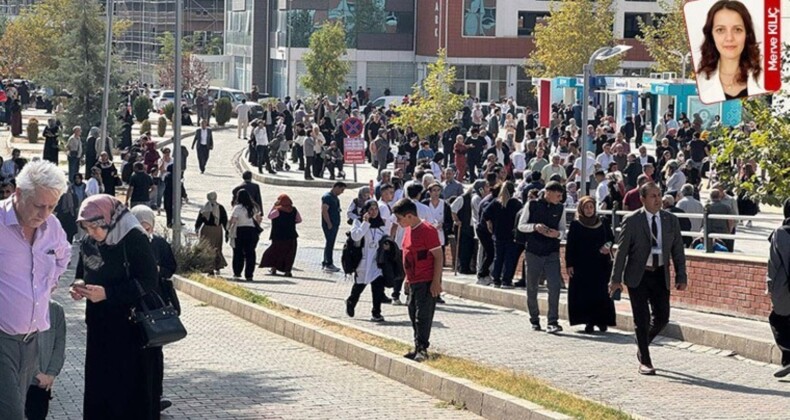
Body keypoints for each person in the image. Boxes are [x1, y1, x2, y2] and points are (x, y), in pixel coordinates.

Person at [71, 194, 161, 419]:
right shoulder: (89, 242)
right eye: (86, 228)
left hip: (131, 328)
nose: (92, 233)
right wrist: (79, 287)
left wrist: (108, 294)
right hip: (100, 327)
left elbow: (149, 281)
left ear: (110, 220)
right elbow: (83, 273)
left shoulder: (133, 238)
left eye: (95, 227)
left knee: (130, 391)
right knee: (100, 388)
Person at [0, 161, 70, 420]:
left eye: (52, 206)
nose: (45, 213)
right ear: (18, 193)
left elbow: (64, 255)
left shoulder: (53, 227)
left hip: (31, 342)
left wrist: (51, 280)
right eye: (39, 205)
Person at [609, 183, 687, 375]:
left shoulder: (670, 220)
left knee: (662, 317)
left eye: (659, 195)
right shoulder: (632, 220)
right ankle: (645, 359)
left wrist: (681, 274)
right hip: (639, 274)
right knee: (641, 318)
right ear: (643, 199)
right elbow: (622, 252)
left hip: (660, 273)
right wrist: (615, 279)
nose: (658, 199)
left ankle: (642, 342)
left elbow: (678, 250)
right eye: (653, 196)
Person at [129, 204, 179, 412]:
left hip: (156, 307)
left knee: (155, 353)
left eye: (147, 226)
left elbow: (171, 268)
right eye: (140, 225)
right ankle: (135, 395)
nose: (144, 230)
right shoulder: (127, 243)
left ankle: (155, 396)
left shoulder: (159, 243)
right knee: (134, 354)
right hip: (133, 307)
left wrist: (158, 270)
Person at [392, 199, 443, 362]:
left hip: (426, 280)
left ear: (410, 216)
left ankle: (423, 348)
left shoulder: (428, 231)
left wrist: (436, 282)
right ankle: (417, 346)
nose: (398, 222)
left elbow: (439, 257)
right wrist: (407, 279)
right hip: (413, 280)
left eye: (400, 218)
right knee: (412, 312)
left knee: (423, 315)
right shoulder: (408, 230)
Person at [517, 181, 566, 333]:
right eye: (557, 195)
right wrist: (535, 227)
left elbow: (563, 229)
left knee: (554, 286)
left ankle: (553, 320)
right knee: (532, 286)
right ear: (548, 193)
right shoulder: (532, 205)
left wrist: (557, 234)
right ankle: (534, 319)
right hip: (533, 251)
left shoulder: (560, 208)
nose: (560, 198)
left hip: (552, 251)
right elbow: (521, 225)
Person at [695, 0, 766, 103]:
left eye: (737, 29)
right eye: (720, 30)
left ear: (747, 34)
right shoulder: (701, 82)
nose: (729, 38)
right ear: (711, 35)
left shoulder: (766, 77)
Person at [565, 196, 616, 333]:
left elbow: (611, 238)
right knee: (585, 294)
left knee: (601, 293)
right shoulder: (576, 225)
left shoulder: (602, 222)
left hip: (600, 265)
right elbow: (570, 246)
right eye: (586, 207)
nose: (589, 210)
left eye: (591, 207)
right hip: (582, 265)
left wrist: (607, 246)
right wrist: (569, 264)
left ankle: (602, 321)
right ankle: (589, 322)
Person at [345, 199, 389, 322]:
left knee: (378, 288)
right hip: (363, 261)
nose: (373, 212)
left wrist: (387, 246)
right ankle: (351, 302)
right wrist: (365, 223)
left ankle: (376, 313)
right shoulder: (358, 222)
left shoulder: (381, 223)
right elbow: (356, 236)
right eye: (371, 209)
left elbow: (387, 237)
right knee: (360, 285)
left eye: (376, 209)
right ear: (366, 210)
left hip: (376, 262)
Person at [24, 300, 66, 420]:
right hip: (19, 378)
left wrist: (51, 373)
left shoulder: (56, 309)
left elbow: (59, 345)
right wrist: (36, 373)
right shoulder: (17, 306)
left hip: (43, 383)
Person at [483, 181, 523, 288]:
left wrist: (489, 223)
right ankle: (506, 280)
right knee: (509, 258)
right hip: (511, 235)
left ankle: (496, 279)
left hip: (498, 233)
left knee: (498, 257)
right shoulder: (516, 204)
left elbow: (485, 213)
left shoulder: (496, 202)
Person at [767, 200, 790, 378]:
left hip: (784, 287)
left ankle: (788, 357)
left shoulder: (780, 233)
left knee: (777, 319)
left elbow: (773, 264)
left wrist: (770, 288)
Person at [259, 194, 301, 277]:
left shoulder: (277, 210)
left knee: (276, 252)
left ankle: (274, 268)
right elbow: (299, 220)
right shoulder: (294, 210)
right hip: (291, 236)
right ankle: (287, 271)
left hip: (278, 236)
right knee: (289, 254)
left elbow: (270, 216)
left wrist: (274, 206)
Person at [228, 189, 262, 281]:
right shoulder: (254, 207)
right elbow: (258, 219)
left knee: (238, 252)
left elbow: (233, 220)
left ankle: (237, 272)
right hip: (252, 231)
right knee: (250, 253)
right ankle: (249, 275)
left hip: (240, 231)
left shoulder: (237, 208)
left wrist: (228, 228)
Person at [194, 191, 228, 275]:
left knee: (207, 249)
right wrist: (227, 231)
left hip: (206, 230)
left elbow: (199, 220)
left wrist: (196, 229)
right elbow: (225, 220)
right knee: (217, 248)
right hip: (217, 230)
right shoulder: (220, 208)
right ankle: (217, 266)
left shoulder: (204, 208)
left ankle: (209, 268)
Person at [321, 182, 346, 272]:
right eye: (341, 189)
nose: (342, 192)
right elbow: (324, 210)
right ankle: (328, 263)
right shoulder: (327, 197)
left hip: (334, 224)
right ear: (336, 187)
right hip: (330, 224)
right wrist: (329, 223)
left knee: (330, 243)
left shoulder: (335, 198)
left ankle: (326, 261)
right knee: (330, 243)